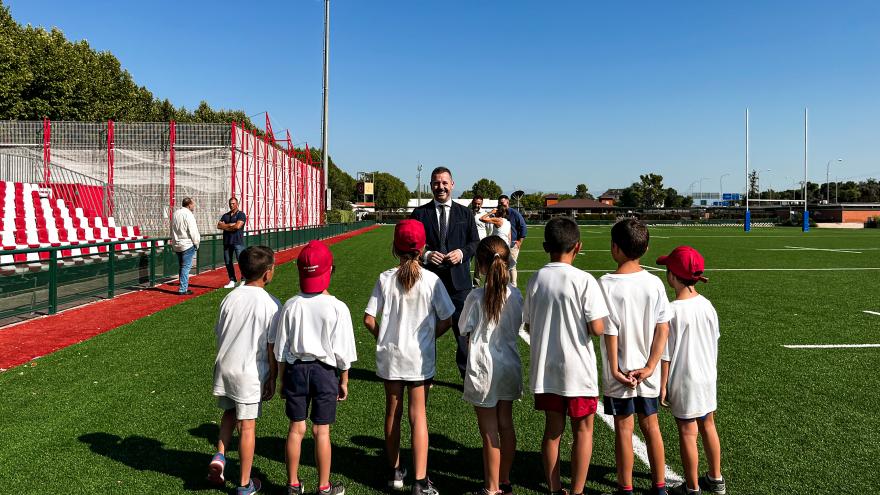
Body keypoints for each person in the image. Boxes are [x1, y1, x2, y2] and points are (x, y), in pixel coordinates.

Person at [364, 220, 455, 495]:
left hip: (391, 357)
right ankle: (420, 481)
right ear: (423, 247)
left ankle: (394, 473)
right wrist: (428, 338)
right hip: (419, 358)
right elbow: (448, 319)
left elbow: (369, 319)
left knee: (393, 414)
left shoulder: (384, 278)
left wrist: (384, 337)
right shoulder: (432, 280)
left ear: (395, 247)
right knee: (419, 417)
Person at [523, 216, 609, 495]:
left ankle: (554, 487)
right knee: (583, 430)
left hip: (547, 369)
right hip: (579, 370)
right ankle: (578, 490)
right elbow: (597, 328)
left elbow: (527, 323)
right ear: (578, 247)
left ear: (546, 245)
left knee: (552, 431)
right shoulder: (584, 280)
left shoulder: (536, 278)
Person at [272, 240, 356, 495]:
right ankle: (324, 486)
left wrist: (281, 381)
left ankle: (293, 485)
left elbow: (282, 350)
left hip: (296, 370)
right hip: (325, 372)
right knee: (322, 430)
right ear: (329, 270)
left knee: (296, 428)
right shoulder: (338, 307)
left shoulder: (290, 305)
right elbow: (344, 353)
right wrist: (344, 380)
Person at [598, 219, 671, 495]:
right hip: (646, 373)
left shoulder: (605, 283)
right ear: (646, 247)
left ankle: (625, 488)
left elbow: (608, 329)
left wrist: (617, 369)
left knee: (624, 430)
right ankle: (660, 486)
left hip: (620, 373)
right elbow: (663, 328)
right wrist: (651, 366)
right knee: (652, 426)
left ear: (614, 248)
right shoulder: (654, 284)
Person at [208, 246, 280, 495]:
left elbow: (219, 331)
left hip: (225, 366)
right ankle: (244, 484)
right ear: (267, 273)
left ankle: (219, 455)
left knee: (229, 413)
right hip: (249, 372)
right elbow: (271, 348)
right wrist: (273, 376)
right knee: (247, 426)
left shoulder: (230, 297)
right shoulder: (271, 304)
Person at [657, 246, 726, 495]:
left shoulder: (672, 310)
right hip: (707, 377)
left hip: (684, 379)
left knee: (687, 431)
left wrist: (662, 385)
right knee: (708, 425)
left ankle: (692, 487)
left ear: (673, 276)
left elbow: (665, 354)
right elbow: (714, 339)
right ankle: (716, 478)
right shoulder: (708, 306)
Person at [459, 236, 523, 495]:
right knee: (506, 424)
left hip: (483, 368)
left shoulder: (475, 296)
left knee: (489, 431)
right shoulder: (516, 295)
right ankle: (504, 481)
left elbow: (464, 329)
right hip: (509, 364)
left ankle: (492, 487)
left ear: (482, 266)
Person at [410, 167, 480, 379]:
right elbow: (412, 246)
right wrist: (427, 255)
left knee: (464, 333)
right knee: (425, 331)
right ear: (431, 185)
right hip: (428, 283)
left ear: (452, 184)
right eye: (436, 183)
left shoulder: (465, 213)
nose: (440, 187)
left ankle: (467, 377)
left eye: (444, 183)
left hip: (459, 284)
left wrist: (462, 253)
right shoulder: (420, 214)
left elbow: (475, 243)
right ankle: (423, 374)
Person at [170, 197, 200, 296]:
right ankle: (183, 289)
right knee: (186, 267)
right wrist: (196, 243)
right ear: (189, 204)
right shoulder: (189, 214)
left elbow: (172, 229)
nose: (194, 206)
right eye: (193, 204)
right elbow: (193, 230)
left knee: (182, 267)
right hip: (187, 244)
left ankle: (183, 286)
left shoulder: (175, 213)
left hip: (177, 243)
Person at [218, 197, 248, 288]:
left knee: (241, 261)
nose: (232, 205)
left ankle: (243, 279)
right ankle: (232, 280)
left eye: (233, 203)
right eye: (230, 203)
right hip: (227, 242)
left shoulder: (241, 214)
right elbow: (219, 225)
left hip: (238, 242)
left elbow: (237, 227)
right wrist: (230, 225)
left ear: (237, 204)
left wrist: (225, 226)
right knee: (228, 262)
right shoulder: (225, 215)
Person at [497, 195, 527, 287]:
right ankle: (505, 285)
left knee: (512, 266)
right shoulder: (499, 213)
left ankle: (513, 286)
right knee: (502, 266)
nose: (501, 205)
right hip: (501, 245)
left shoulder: (514, 213)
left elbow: (523, 227)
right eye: (500, 203)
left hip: (512, 244)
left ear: (508, 202)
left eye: (503, 203)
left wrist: (520, 241)